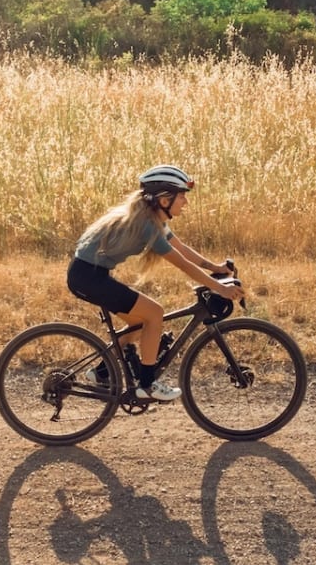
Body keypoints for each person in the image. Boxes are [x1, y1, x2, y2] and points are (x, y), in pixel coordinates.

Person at [67, 164, 244, 403]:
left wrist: (215, 268)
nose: (186, 202)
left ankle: (100, 372)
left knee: (141, 324)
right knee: (154, 313)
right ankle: (147, 385)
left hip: (89, 274)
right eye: (181, 196)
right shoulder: (146, 226)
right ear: (164, 200)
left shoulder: (152, 219)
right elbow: (181, 263)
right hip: (89, 277)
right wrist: (220, 288)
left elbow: (181, 249)